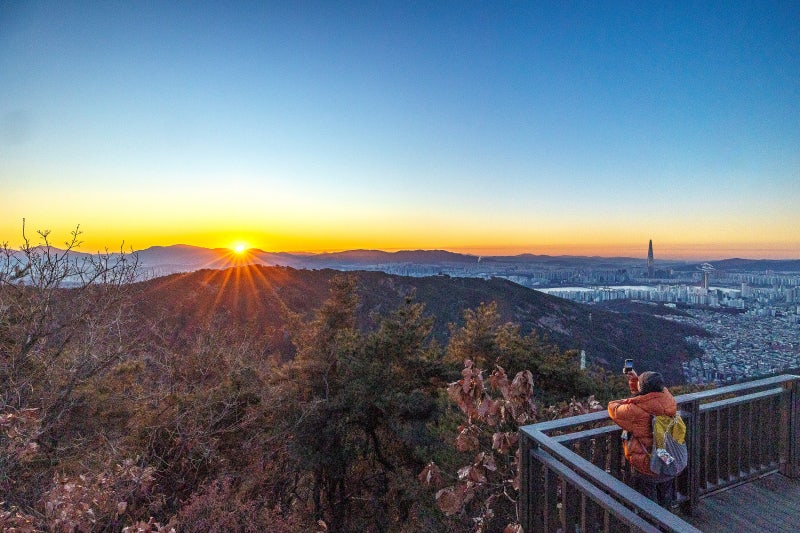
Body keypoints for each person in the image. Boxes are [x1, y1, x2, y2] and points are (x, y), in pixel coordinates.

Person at [608, 368, 677, 508]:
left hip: (648, 464)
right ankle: (668, 525)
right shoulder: (668, 400)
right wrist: (635, 381)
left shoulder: (635, 410)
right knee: (665, 499)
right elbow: (648, 398)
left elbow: (613, 407)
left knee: (648, 505)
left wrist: (629, 398)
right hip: (668, 461)